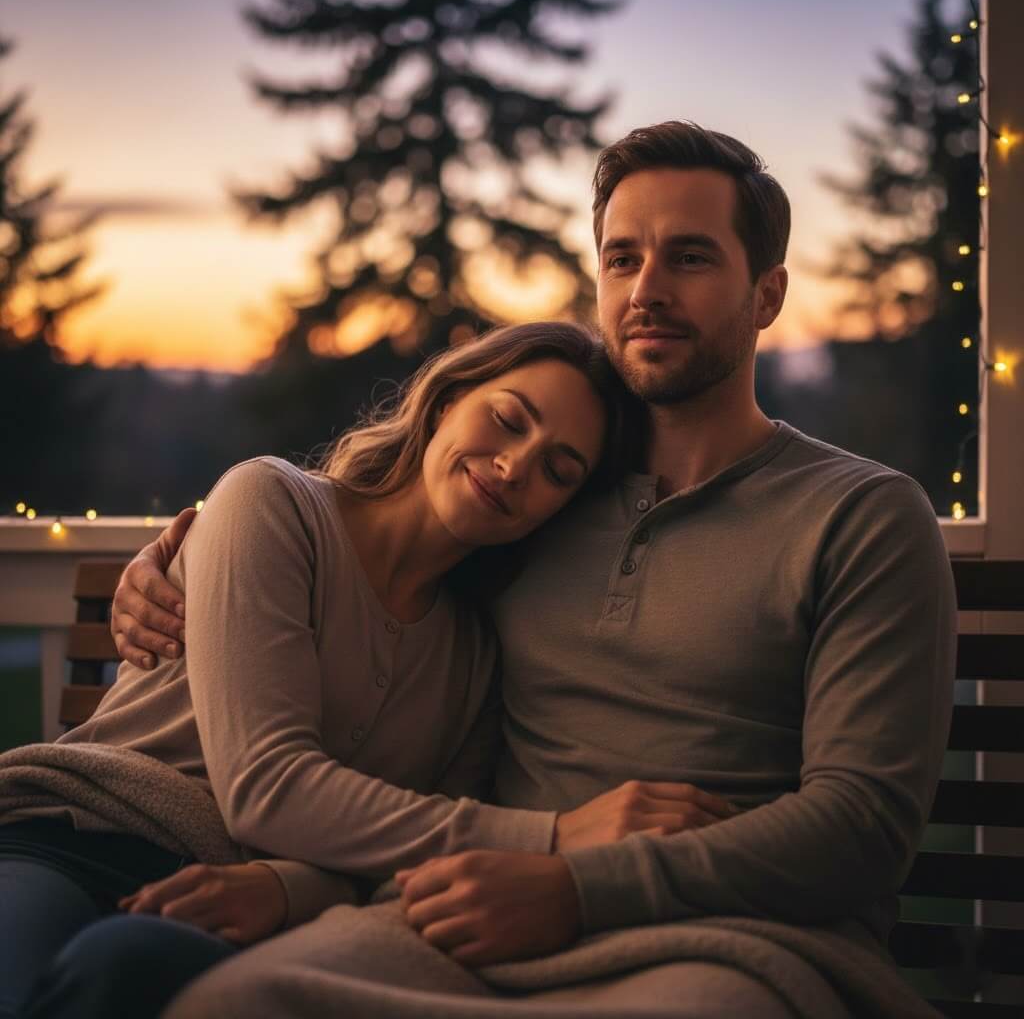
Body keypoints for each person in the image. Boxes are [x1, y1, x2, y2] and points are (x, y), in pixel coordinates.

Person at [107, 121, 955, 1019]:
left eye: (692, 258)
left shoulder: (863, 515)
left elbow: (862, 825)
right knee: (230, 1005)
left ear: (768, 293)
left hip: (732, 937)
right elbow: (365, 554)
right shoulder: (544, 501)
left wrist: (578, 887)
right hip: (462, 917)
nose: (648, 290)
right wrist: (176, 564)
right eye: (622, 258)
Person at [1, 321, 714, 1019]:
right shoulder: (273, 504)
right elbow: (267, 787)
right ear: (444, 401)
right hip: (73, 839)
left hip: (237, 910)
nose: (515, 465)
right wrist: (556, 836)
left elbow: (401, 860)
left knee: (124, 967)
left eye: (559, 470)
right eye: (507, 419)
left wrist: (286, 889)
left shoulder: (478, 657)